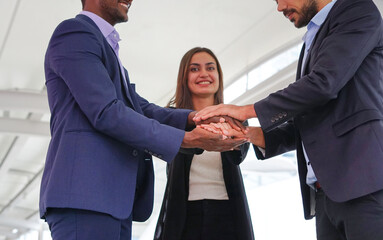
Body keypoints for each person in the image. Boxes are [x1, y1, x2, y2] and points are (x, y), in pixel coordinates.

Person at [39, 1, 247, 239]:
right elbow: (106, 112)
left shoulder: (106, 46)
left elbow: (142, 108)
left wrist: (197, 118)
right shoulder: (75, 33)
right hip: (86, 197)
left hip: (113, 201)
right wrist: (185, 139)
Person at [194, 0, 383, 239]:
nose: (279, 7)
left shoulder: (357, 11)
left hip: (365, 185)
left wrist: (246, 110)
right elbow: (308, 118)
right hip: (325, 194)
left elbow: (323, 84)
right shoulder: (311, 38)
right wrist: (249, 134)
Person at [153, 47, 254, 240]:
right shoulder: (170, 118)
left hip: (227, 214)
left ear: (218, 75)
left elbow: (238, 155)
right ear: (184, 77)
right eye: (194, 69)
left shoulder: (235, 118)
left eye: (210, 68)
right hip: (183, 215)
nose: (204, 74)